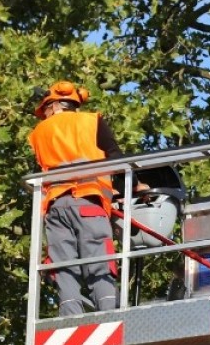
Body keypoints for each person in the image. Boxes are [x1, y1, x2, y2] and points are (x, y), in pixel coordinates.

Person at [27, 81, 142, 316]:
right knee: (99, 256)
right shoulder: (91, 121)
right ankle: (109, 311)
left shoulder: (39, 133)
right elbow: (115, 158)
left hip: (55, 206)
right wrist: (133, 186)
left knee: (62, 263)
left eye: (45, 110)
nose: (44, 115)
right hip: (88, 201)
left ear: (55, 105)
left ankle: (69, 313)